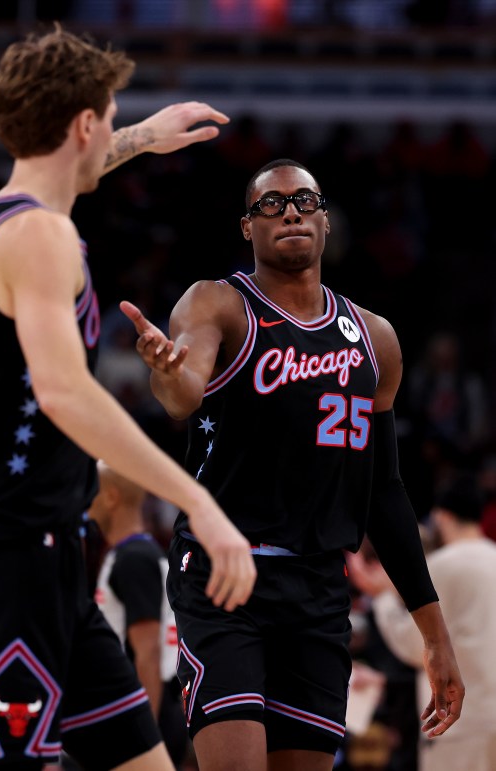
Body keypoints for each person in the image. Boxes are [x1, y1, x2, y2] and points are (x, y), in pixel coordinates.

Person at [0, 24, 256, 771]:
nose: (113, 126)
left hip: (50, 559)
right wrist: (199, 503)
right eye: (110, 113)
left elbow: (79, 161)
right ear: (81, 122)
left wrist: (145, 134)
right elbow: (65, 392)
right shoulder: (41, 237)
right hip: (6, 562)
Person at [121, 157, 464, 771]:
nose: (291, 213)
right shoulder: (219, 304)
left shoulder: (375, 338)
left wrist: (435, 637)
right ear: (247, 228)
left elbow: (384, 493)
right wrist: (168, 373)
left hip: (318, 589)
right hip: (225, 576)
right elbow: (183, 394)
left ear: (326, 222)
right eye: (271, 206)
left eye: (304, 202)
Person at [348, 471, 496, 771]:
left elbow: (417, 647)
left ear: (441, 517)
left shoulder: (441, 565)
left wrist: (383, 597)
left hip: (463, 723)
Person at [87, 460, 189, 768]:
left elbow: (147, 651)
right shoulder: (132, 553)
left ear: (111, 497)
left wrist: (146, 735)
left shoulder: (134, 559)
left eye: (92, 492)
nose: (85, 501)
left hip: (147, 710)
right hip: (149, 707)